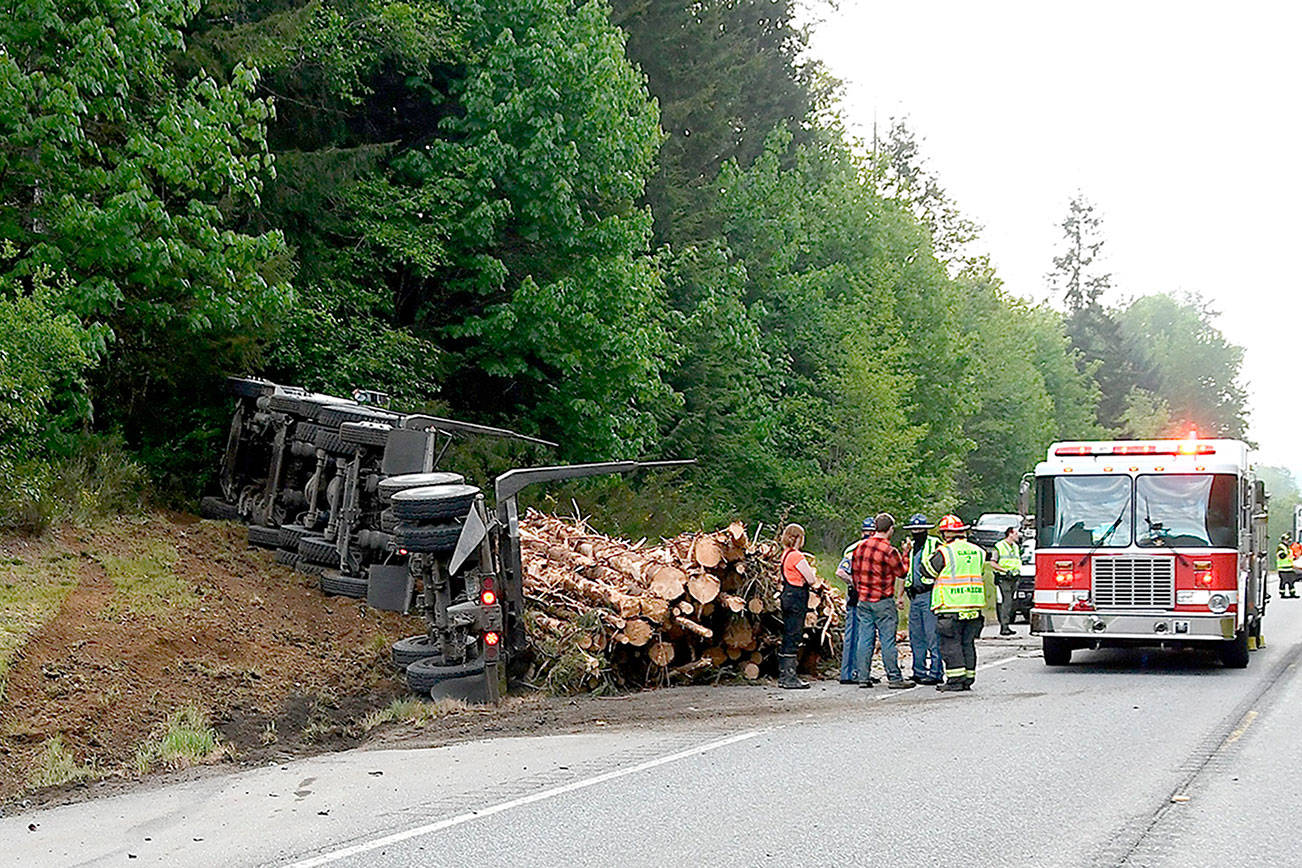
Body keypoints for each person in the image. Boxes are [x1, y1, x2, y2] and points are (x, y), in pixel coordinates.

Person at [849, 513, 916, 690]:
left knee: (865, 639)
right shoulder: (889, 550)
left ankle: (863, 677)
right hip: (883, 600)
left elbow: (854, 573)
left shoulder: (860, 547)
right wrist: (906, 554)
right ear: (890, 529)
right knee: (887, 641)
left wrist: (860, 589)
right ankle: (894, 677)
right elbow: (902, 572)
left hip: (864, 600)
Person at [922, 514, 987, 693]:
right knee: (968, 644)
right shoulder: (979, 551)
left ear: (946, 534)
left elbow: (927, 571)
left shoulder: (945, 552)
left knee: (951, 645)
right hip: (974, 608)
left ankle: (955, 680)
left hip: (951, 607)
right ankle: (968, 678)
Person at [778, 523, 828, 689]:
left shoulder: (784, 555)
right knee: (794, 634)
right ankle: (789, 676)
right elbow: (811, 579)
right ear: (798, 538)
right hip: (796, 596)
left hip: (787, 594)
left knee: (788, 633)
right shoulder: (796, 556)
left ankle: (784, 674)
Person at [900, 513, 942, 685]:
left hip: (930, 593)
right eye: (914, 529)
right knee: (916, 636)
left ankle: (936, 671)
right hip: (914, 596)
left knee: (932, 634)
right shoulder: (910, 548)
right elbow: (904, 572)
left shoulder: (935, 544)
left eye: (920, 529)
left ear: (926, 529)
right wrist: (900, 595)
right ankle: (918, 671)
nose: (917, 532)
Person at [835, 517, 876, 684]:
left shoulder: (854, 547)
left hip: (860, 595)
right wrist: (857, 583)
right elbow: (841, 572)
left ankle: (860, 671)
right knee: (857, 636)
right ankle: (850, 672)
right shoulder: (859, 548)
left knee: (862, 636)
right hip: (860, 596)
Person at [991, 526, 1022, 636]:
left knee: (1010, 602)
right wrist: (1005, 570)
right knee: (1007, 601)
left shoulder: (1016, 547)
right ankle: (1004, 626)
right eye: (1016, 533)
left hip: (1014, 577)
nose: (1018, 536)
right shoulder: (999, 546)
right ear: (1010, 534)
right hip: (1004, 577)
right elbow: (993, 563)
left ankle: (1006, 625)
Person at [1277, 535, 1296, 599]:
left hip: (1289, 568)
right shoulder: (1281, 547)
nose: (1288, 541)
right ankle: (1282, 593)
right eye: (1287, 540)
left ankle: (1292, 593)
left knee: (1291, 581)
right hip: (1282, 568)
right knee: (1284, 581)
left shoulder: (1287, 547)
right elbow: (1281, 555)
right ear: (1283, 540)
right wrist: (1286, 554)